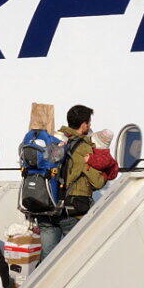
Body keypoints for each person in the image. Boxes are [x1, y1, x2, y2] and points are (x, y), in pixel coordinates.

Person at [36, 105, 105, 258]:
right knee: (72, 257)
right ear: (84, 125)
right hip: (70, 209)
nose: (90, 126)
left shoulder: (54, 139)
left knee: (47, 258)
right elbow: (97, 182)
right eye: (89, 122)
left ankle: (38, 282)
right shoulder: (83, 147)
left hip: (46, 206)